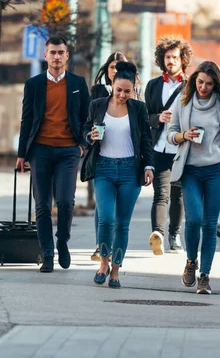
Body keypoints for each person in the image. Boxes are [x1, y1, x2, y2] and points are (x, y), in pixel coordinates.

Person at [167, 61, 220, 295]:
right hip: (190, 170)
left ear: (216, 85)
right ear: (194, 81)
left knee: (210, 225)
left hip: (216, 170)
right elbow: (171, 134)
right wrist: (184, 135)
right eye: (200, 82)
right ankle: (191, 261)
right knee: (193, 220)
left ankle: (204, 276)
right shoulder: (183, 102)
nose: (203, 87)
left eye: (209, 84)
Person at [16, 36, 90, 273]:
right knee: (42, 205)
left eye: (61, 52)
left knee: (66, 201)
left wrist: (82, 145)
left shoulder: (78, 82)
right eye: (52, 52)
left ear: (67, 56)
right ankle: (47, 253)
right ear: (45, 56)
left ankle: (62, 240)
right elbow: (27, 119)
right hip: (40, 150)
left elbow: (87, 118)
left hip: (69, 150)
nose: (57, 56)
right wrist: (21, 154)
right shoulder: (34, 84)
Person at [82, 61, 154, 288]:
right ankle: (103, 263)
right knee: (106, 218)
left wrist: (148, 167)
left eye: (127, 91)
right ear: (112, 84)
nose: (122, 95)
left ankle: (115, 271)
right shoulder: (97, 105)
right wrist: (90, 135)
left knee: (122, 223)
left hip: (129, 171)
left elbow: (145, 141)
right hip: (103, 167)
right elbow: (85, 129)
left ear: (133, 89)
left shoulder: (138, 109)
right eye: (118, 89)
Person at [144, 36, 193, 255]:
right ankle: (158, 235)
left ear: (183, 60)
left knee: (178, 194)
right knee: (160, 194)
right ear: (161, 60)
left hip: (181, 148)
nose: (170, 61)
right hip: (159, 147)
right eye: (167, 57)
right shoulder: (153, 85)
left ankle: (174, 235)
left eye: (174, 57)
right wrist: (158, 118)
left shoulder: (192, 85)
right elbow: (144, 117)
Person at [89, 51, 128, 261]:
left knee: (119, 209)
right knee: (103, 206)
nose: (116, 71)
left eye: (120, 67)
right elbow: (89, 118)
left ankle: (113, 247)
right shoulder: (98, 91)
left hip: (126, 157)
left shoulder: (132, 93)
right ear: (107, 70)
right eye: (113, 67)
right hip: (102, 152)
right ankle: (99, 244)